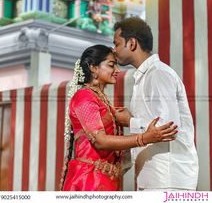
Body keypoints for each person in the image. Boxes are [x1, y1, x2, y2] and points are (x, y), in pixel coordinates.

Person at [60, 45, 177, 191]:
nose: (117, 70)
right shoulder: (84, 96)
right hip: (89, 182)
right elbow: (100, 141)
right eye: (111, 65)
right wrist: (144, 138)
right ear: (93, 68)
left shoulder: (101, 100)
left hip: (105, 181)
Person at [113, 17, 199, 191]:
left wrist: (130, 121)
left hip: (168, 177)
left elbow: (168, 129)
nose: (114, 50)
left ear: (131, 43)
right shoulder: (145, 76)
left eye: (116, 44)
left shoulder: (158, 74)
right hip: (156, 177)